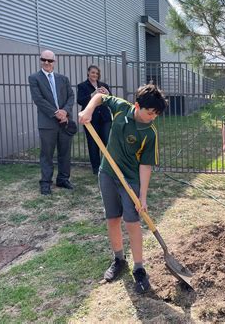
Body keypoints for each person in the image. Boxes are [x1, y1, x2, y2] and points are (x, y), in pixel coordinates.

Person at [78, 83, 167, 294]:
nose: (153, 116)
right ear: (137, 105)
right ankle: (119, 259)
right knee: (112, 219)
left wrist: (142, 197)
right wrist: (88, 110)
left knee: (132, 222)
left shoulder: (150, 133)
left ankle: (139, 268)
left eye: (156, 114)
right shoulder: (121, 108)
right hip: (107, 173)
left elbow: (145, 167)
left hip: (131, 180)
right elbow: (100, 97)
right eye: (150, 112)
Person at [29, 50, 75, 195]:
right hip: (47, 123)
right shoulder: (34, 78)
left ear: (54, 62)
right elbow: (38, 99)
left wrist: (65, 112)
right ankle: (46, 183)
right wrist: (56, 113)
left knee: (65, 152)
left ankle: (63, 179)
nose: (46, 63)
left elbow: (71, 96)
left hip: (64, 121)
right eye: (44, 59)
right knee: (47, 154)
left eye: (49, 60)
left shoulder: (63, 79)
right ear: (40, 60)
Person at [77, 65, 112, 174]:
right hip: (91, 119)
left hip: (105, 118)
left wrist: (108, 94)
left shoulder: (103, 85)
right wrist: (93, 94)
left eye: (97, 73)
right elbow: (80, 101)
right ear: (88, 73)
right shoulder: (82, 86)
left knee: (107, 142)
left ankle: (108, 166)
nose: (95, 75)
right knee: (93, 144)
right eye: (93, 73)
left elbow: (110, 100)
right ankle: (96, 169)